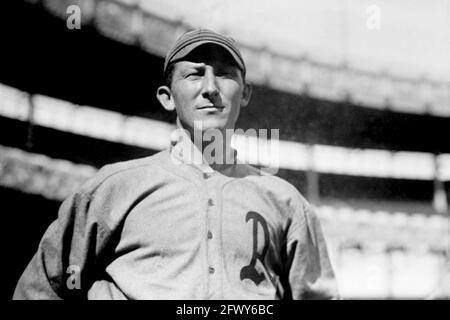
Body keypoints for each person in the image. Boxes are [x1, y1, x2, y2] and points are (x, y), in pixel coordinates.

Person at [13, 29, 339, 300]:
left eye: (225, 75)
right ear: (167, 97)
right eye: (195, 74)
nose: (211, 88)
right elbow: (40, 288)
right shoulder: (113, 187)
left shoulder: (286, 202)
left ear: (245, 93)